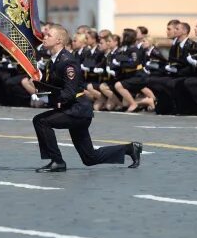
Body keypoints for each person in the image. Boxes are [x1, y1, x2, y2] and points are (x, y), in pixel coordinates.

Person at [32, 24, 143, 173]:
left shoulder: (67, 61)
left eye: (48, 35)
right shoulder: (53, 60)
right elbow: (54, 86)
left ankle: (57, 161)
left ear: (59, 41)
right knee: (90, 158)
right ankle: (131, 148)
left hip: (77, 110)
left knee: (41, 121)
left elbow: (69, 93)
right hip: (73, 110)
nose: (44, 37)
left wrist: (46, 100)